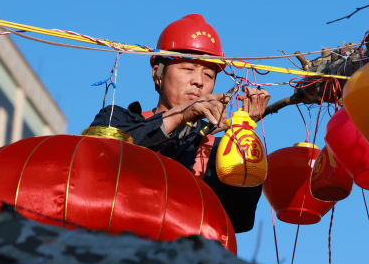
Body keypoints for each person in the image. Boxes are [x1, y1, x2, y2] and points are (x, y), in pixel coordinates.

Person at [90, 14, 270, 233]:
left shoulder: (215, 152)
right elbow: (98, 164)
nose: (199, 81)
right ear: (158, 74)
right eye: (188, 69)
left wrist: (243, 138)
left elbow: (239, 219)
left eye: (209, 74)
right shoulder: (118, 120)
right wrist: (181, 114)